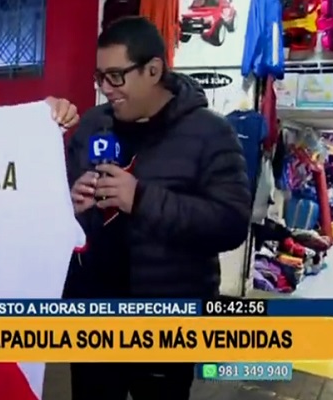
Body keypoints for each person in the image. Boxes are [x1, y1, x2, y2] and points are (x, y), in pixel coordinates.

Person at [64, 17, 251, 400]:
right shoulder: (93, 124)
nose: (106, 89)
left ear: (153, 70)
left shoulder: (210, 134)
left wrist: (141, 199)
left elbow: (231, 224)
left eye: (116, 76)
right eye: (100, 77)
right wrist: (72, 200)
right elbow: (59, 194)